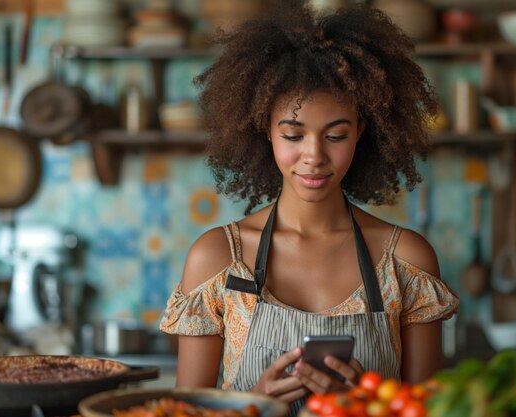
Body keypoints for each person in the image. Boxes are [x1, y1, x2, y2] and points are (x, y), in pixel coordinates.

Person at [159, 4, 459, 415]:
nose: (314, 156)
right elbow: (182, 414)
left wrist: (366, 406)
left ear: (361, 133)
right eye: (293, 134)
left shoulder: (406, 262)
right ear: (265, 129)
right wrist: (252, 406)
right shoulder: (218, 259)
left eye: (335, 135)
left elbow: (433, 411)